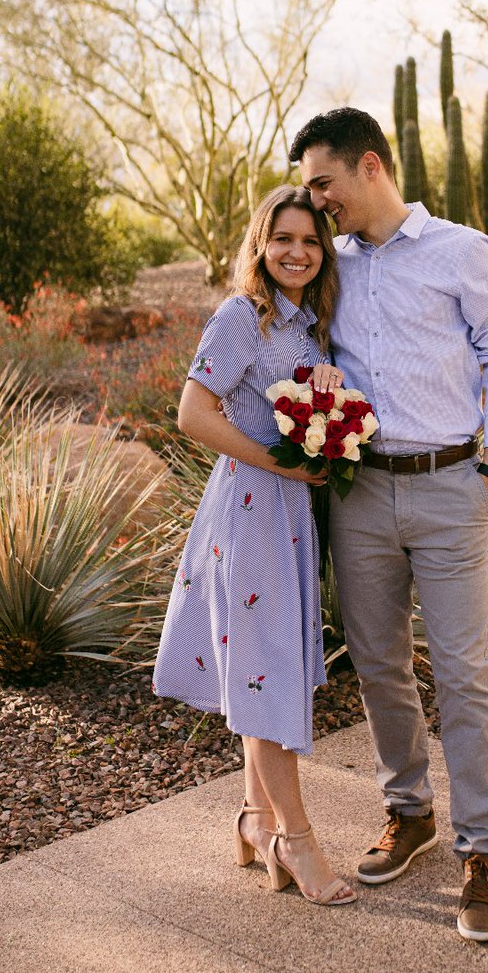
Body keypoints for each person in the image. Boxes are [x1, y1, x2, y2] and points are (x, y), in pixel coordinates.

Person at [290, 107, 488, 942]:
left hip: (448, 486)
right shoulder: (332, 265)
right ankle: (410, 813)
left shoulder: (462, 250)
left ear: (371, 167)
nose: (318, 202)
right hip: (360, 494)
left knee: (464, 672)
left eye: (325, 184)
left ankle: (484, 848)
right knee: (381, 665)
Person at [152, 185, 356, 907]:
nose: (296, 252)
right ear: (260, 246)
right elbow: (191, 413)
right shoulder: (241, 316)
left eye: (309, 240)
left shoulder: (309, 326)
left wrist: (328, 387)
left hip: (292, 513)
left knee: (265, 668)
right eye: (283, 239)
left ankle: (253, 821)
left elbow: (308, 405)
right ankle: (295, 841)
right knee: (266, 669)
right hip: (249, 508)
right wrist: (280, 462)